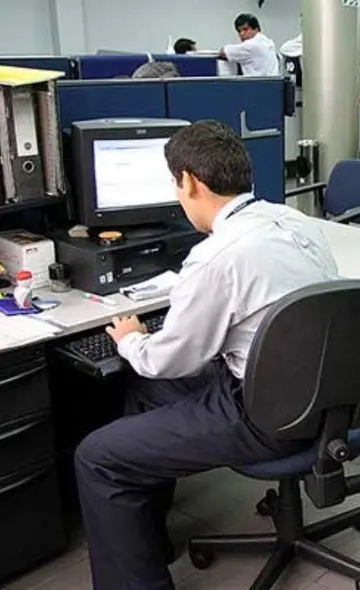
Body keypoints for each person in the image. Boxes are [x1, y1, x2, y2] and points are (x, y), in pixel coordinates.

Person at [73, 121, 345, 589]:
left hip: (265, 414)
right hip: (325, 392)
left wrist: (131, 339)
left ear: (191, 183)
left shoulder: (217, 256)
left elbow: (172, 359)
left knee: (98, 455)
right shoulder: (296, 222)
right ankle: (146, 539)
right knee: (145, 391)